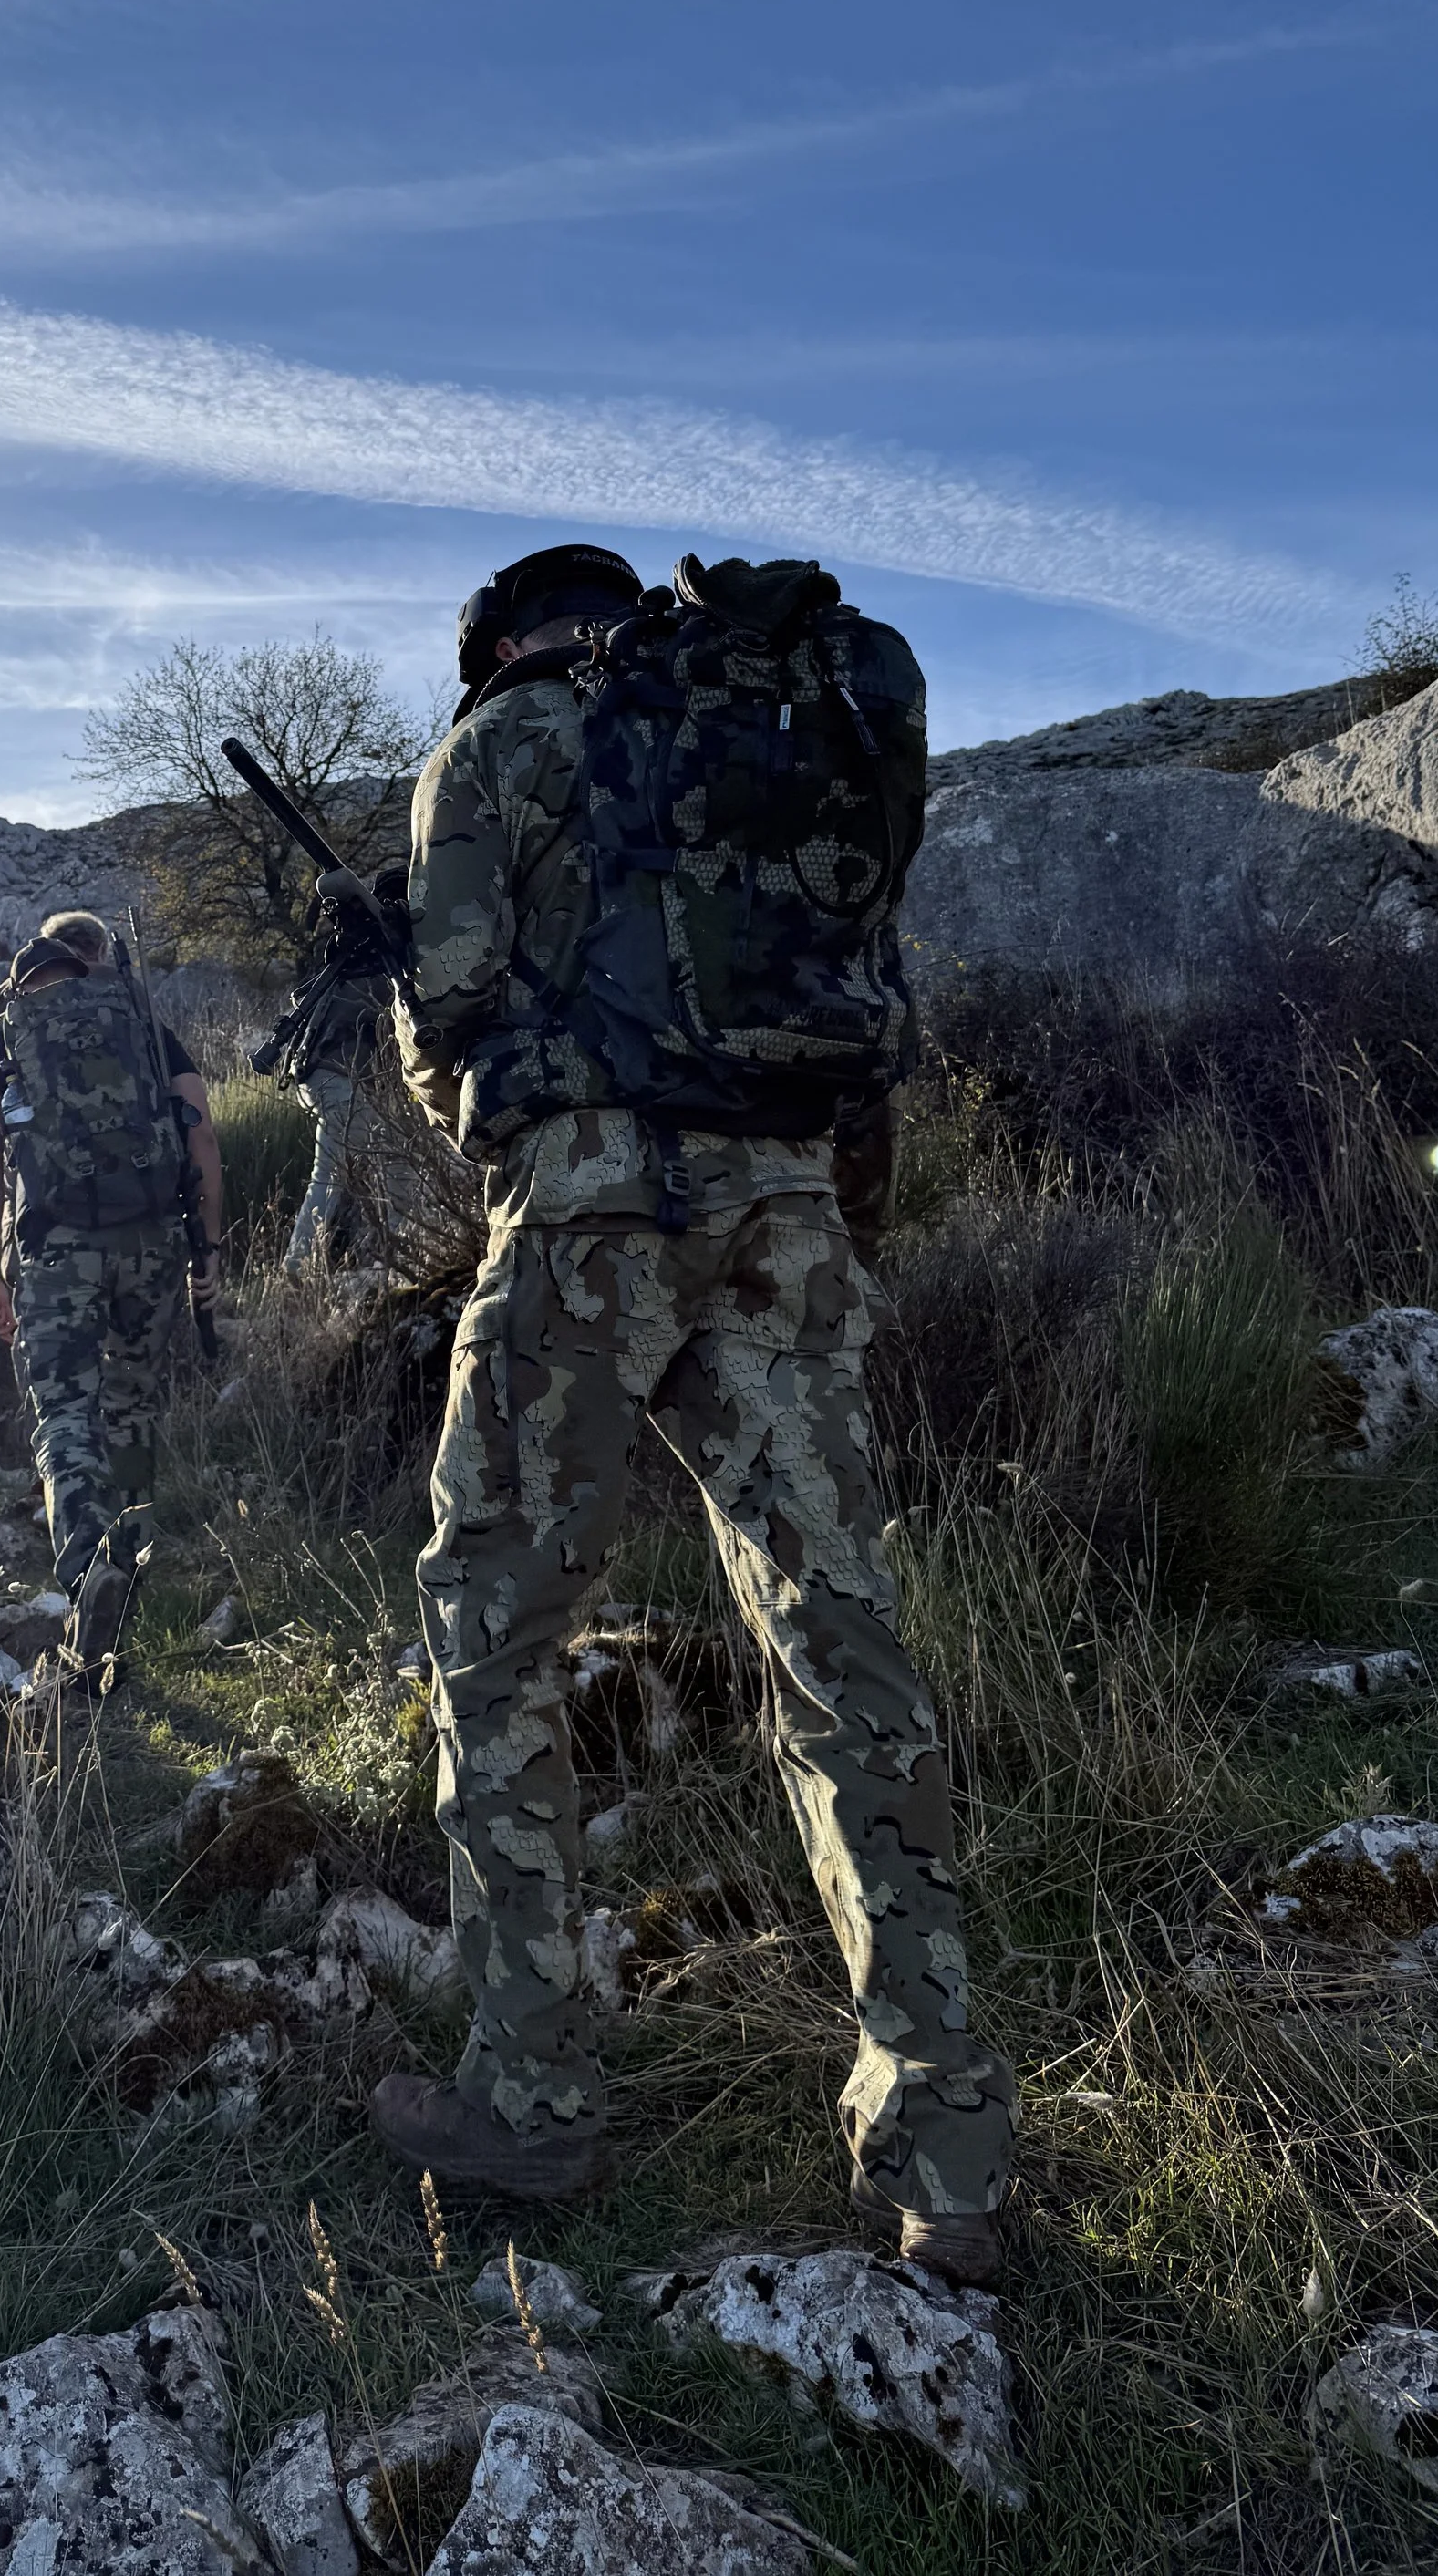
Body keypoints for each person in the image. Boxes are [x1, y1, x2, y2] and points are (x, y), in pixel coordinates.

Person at [368, 539, 1014, 2288]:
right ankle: (946, 2154)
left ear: (494, 637)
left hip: (587, 1227)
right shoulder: (780, 716)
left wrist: (539, 1115)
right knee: (838, 1638)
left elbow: (450, 1041)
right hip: (787, 1221)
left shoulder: (496, 747)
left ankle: (532, 2092)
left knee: (496, 1634)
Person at [0, 908, 222, 1681]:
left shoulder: (5, 1031)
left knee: (66, 1410)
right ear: (101, 955)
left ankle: (89, 1570)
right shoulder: (140, 1020)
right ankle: (131, 1562)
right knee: (135, 1400)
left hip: (55, 1247)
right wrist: (209, 1247)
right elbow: (202, 1138)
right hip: (153, 1242)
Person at [253, 868, 409, 1273]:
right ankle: (309, 1268)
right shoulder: (393, 957)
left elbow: (302, 995)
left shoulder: (354, 950)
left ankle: (376, 1259)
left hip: (318, 1073)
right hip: (342, 1078)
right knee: (372, 1172)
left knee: (372, 1168)